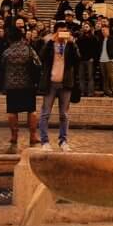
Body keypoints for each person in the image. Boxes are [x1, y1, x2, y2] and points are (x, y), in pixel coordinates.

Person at [38, 21, 80, 151]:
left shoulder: (70, 45)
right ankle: (44, 141)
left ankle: (63, 140)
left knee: (64, 115)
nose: (62, 34)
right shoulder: (49, 44)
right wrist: (51, 42)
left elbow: (77, 59)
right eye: (60, 31)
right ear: (55, 32)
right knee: (45, 114)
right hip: (50, 82)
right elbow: (42, 57)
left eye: (65, 31)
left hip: (65, 83)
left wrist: (72, 44)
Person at [2, 28, 41, 152]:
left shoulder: (7, 52)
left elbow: (1, 66)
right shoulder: (29, 50)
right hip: (28, 85)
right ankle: (33, 135)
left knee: (12, 111)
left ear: (9, 39)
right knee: (31, 111)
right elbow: (38, 64)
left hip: (12, 86)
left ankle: (14, 136)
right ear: (21, 37)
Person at [76, 23, 99, 97]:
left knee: (90, 77)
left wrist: (93, 58)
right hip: (81, 60)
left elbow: (96, 49)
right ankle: (82, 91)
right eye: (84, 27)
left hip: (90, 60)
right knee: (81, 76)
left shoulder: (94, 37)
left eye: (87, 27)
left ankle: (90, 92)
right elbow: (77, 48)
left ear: (90, 28)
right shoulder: (80, 37)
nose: (85, 28)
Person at [98, 23, 113, 97]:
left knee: (111, 76)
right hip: (101, 60)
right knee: (104, 77)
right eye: (102, 30)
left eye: (104, 30)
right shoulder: (101, 39)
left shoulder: (112, 38)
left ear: (108, 30)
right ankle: (106, 91)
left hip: (109, 60)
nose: (103, 32)